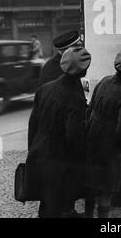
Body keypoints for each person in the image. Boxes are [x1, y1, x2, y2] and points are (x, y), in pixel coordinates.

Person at [25, 46, 92, 218]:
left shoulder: (45, 88)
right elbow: (73, 137)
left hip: (40, 153)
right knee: (62, 204)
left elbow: (33, 124)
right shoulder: (74, 99)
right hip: (60, 160)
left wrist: (32, 150)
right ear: (83, 72)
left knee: (46, 203)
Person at [84, 47, 121, 218]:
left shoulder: (105, 80)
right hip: (109, 147)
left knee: (90, 186)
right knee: (105, 190)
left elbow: (90, 109)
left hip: (92, 139)